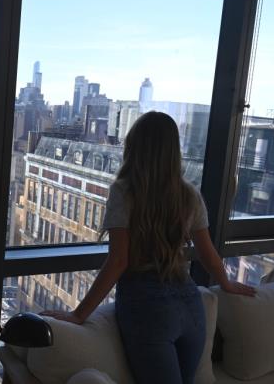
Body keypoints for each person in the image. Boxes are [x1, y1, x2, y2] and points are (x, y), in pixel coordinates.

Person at [41, 111, 256, 384]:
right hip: (191, 306)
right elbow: (207, 253)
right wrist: (226, 282)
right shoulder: (190, 194)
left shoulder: (124, 192)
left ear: (134, 147)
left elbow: (119, 260)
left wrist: (79, 314)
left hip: (147, 305)